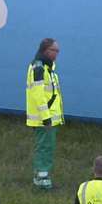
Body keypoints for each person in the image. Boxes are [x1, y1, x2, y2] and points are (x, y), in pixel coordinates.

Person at [24, 37, 64, 189]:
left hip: (47, 118)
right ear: (46, 51)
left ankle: (41, 176)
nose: (57, 54)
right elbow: (38, 94)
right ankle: (42, 179)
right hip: (44, 119)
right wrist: (46, 117)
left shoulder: (47, 67)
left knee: (47, 146)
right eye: (55, 51)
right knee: (44, 147)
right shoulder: (39, 68)